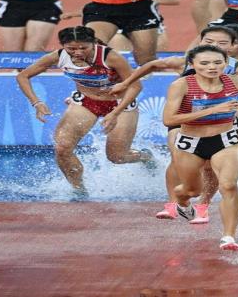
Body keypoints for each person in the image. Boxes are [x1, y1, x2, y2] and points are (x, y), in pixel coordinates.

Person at [111, 25, 238, 223]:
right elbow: (152, 65)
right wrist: (125, 83)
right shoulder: (186, 62)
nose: (215, 45)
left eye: (222, 43)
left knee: (209, 167)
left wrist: (232, 113)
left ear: (233, 46)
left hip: (221, 121)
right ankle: (173, 204)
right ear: (200, 42)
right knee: (176, 155)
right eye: (209, 41)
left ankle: (203, 205)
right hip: (184, 118)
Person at [163, 44, 238, 250]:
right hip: (191, 142)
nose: (212, 67)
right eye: (205, 63)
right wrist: (213, 109)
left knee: (229, 185)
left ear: (226, 63)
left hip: (226, 140)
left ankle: (229, 237)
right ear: (192, 64)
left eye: (218, 62)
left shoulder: (237, 81)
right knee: (192, 190)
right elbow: (169, 119)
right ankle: (182, 202)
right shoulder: (181, 85)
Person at [16, 26, 147, 193]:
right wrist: (36, 103)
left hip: (120, 104)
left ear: (93, 43)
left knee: (117, 156)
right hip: (86, 102)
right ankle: (79, 190)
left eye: (83, 48)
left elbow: (136, 86)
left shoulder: (110, 57)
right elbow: (23, 76)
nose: (77, 52)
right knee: (62, 148)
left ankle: (145, 157)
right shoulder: (58, 56)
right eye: (71, 49)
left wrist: (115, 113)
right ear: (63, 46)